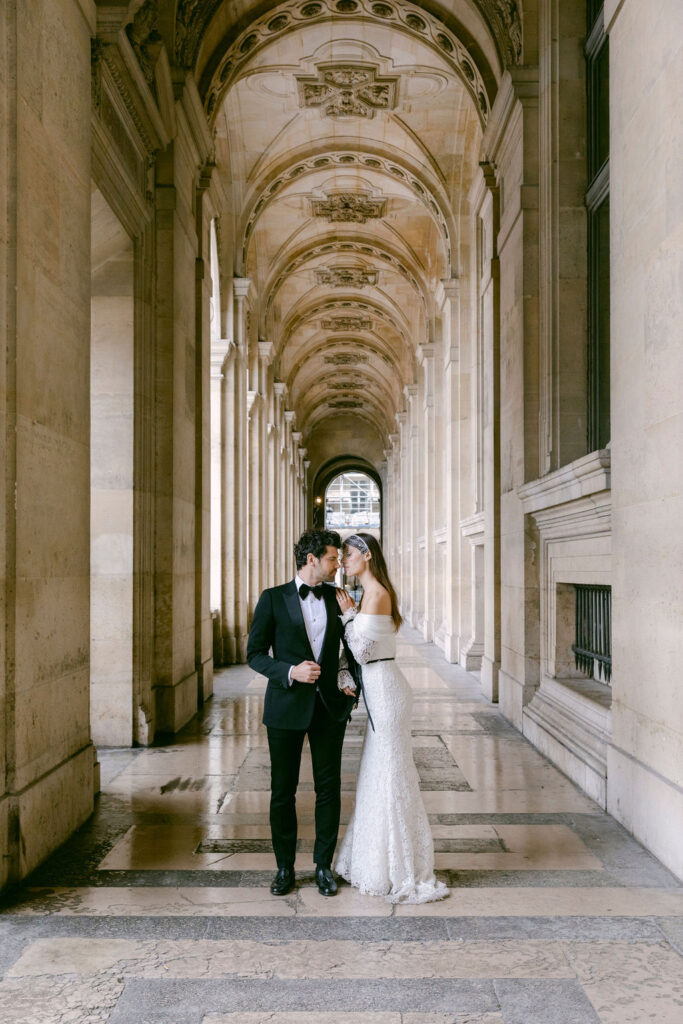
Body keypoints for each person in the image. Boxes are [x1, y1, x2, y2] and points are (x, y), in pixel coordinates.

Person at [334, 532, 449, 904]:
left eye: (348, 555)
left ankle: (397, 866)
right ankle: (379, 859)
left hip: (385, 688)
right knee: (381, 769)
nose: (343, 562)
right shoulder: (371, 593)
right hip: (381, 687)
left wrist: (347, 616)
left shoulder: (377, 593)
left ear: (366, 555)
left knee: (389, 772)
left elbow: (364, 651)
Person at [247, 529, 357, 897]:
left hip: (329, 707)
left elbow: (351, 650)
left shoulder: (336, 597)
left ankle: (323, 866)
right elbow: (255, 654)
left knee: (329, 789)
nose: (337, 564)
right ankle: (284, 868)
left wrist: (348, 679)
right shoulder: (273, 598)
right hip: (286, 706)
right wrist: (290, 672)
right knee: (283, 791)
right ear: (311, 560)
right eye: (331, 558)